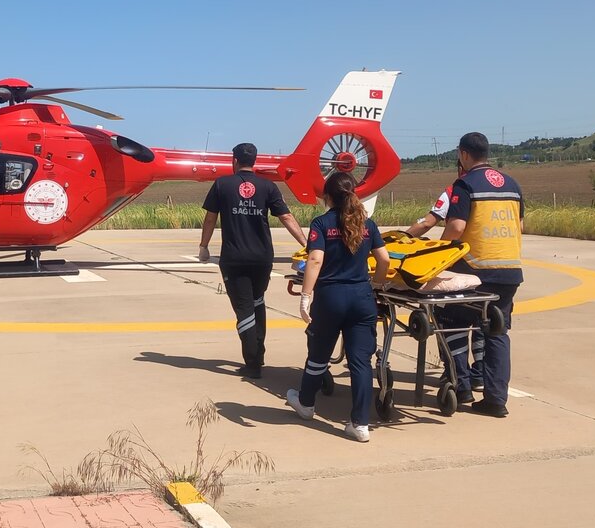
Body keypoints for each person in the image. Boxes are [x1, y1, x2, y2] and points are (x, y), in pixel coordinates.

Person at [284, 172, 390, 442]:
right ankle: (360, 424)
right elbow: (384, 260)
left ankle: (306, 404)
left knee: (318, 355)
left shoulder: (321, 223)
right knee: (360, 362)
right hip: (361, 298)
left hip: (330, 298)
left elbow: (315, 260)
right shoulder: (368, 224)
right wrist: (376, 285)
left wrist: (305, 296)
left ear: (327, 197)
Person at [199, 143, 307, 379]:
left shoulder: (222, 184)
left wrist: (204, 246)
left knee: (244, 309)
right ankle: (259, 354)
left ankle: (253, 362)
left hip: (235, 259)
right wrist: (306, 244)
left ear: (234, 161)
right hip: (262, 259)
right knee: (258, 302)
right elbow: (286, 217)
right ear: (254, 161)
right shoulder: (268, 186)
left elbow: (210, 219)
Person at [440, 132, 524, 418]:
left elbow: (456, 227)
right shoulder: (512, 184)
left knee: (450, 321)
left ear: (463, 154)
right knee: (497, 332)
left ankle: (461, 385)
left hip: (475, 271)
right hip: (510, 272)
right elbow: (520, 226)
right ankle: (496, 400)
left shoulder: (464, 184)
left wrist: (438, 251)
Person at [407, 167, 487, 391]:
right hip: (493, 265)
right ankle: (480, 374)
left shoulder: (455, 190)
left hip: (464, 266)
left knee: (448, 320)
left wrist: (402, 238)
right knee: (483, 320)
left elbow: (427, 223)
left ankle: (455, 374)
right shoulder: (496, 191)